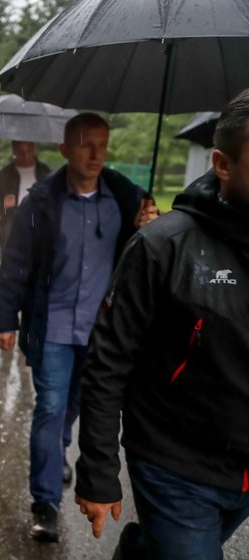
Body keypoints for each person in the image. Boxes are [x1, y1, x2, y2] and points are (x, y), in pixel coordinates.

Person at [75, 90, 249, 559]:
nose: (96, 154)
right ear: (222, 164)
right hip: (175, 464)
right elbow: (108, 362)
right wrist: (98, 469)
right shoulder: (162, 247)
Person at [0, 113, 158, 543]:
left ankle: (56, 449)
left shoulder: (126, 199)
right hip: (51, 327)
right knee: (49, 408)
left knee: (75, 405)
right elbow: (16, 262)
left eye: (102, 145)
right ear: (65, 149)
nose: (95, 154)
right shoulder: (43, 201)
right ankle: (45, 503)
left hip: (101, 332)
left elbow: (145, 258)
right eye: (85, 144)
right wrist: (6, 318)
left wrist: (148, 229)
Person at [0, 140, 52, 249]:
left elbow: (58, 204)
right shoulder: (4, 175)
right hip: (10, 238)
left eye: (28, 151)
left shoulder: (46, 173)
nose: (25, 155)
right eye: (21, 151)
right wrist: (4, 205)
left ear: (34, 149)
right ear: (14, 150)